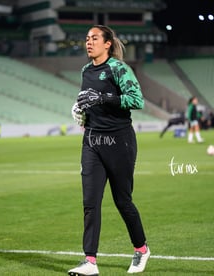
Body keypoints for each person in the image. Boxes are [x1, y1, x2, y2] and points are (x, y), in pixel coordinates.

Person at [70, 25, 150, 275]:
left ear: (107, 44)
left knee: (122, 201)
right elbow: (88, 99)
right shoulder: (85, 70)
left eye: (94, 38)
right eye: (86, 39)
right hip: (92, 142)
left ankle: (141, 249)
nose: (89, 42)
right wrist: (80, 110)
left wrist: (104, 99)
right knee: (90, 203)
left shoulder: (119, 69)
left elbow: (137, 100)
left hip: (119, 141)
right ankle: (90, 262)